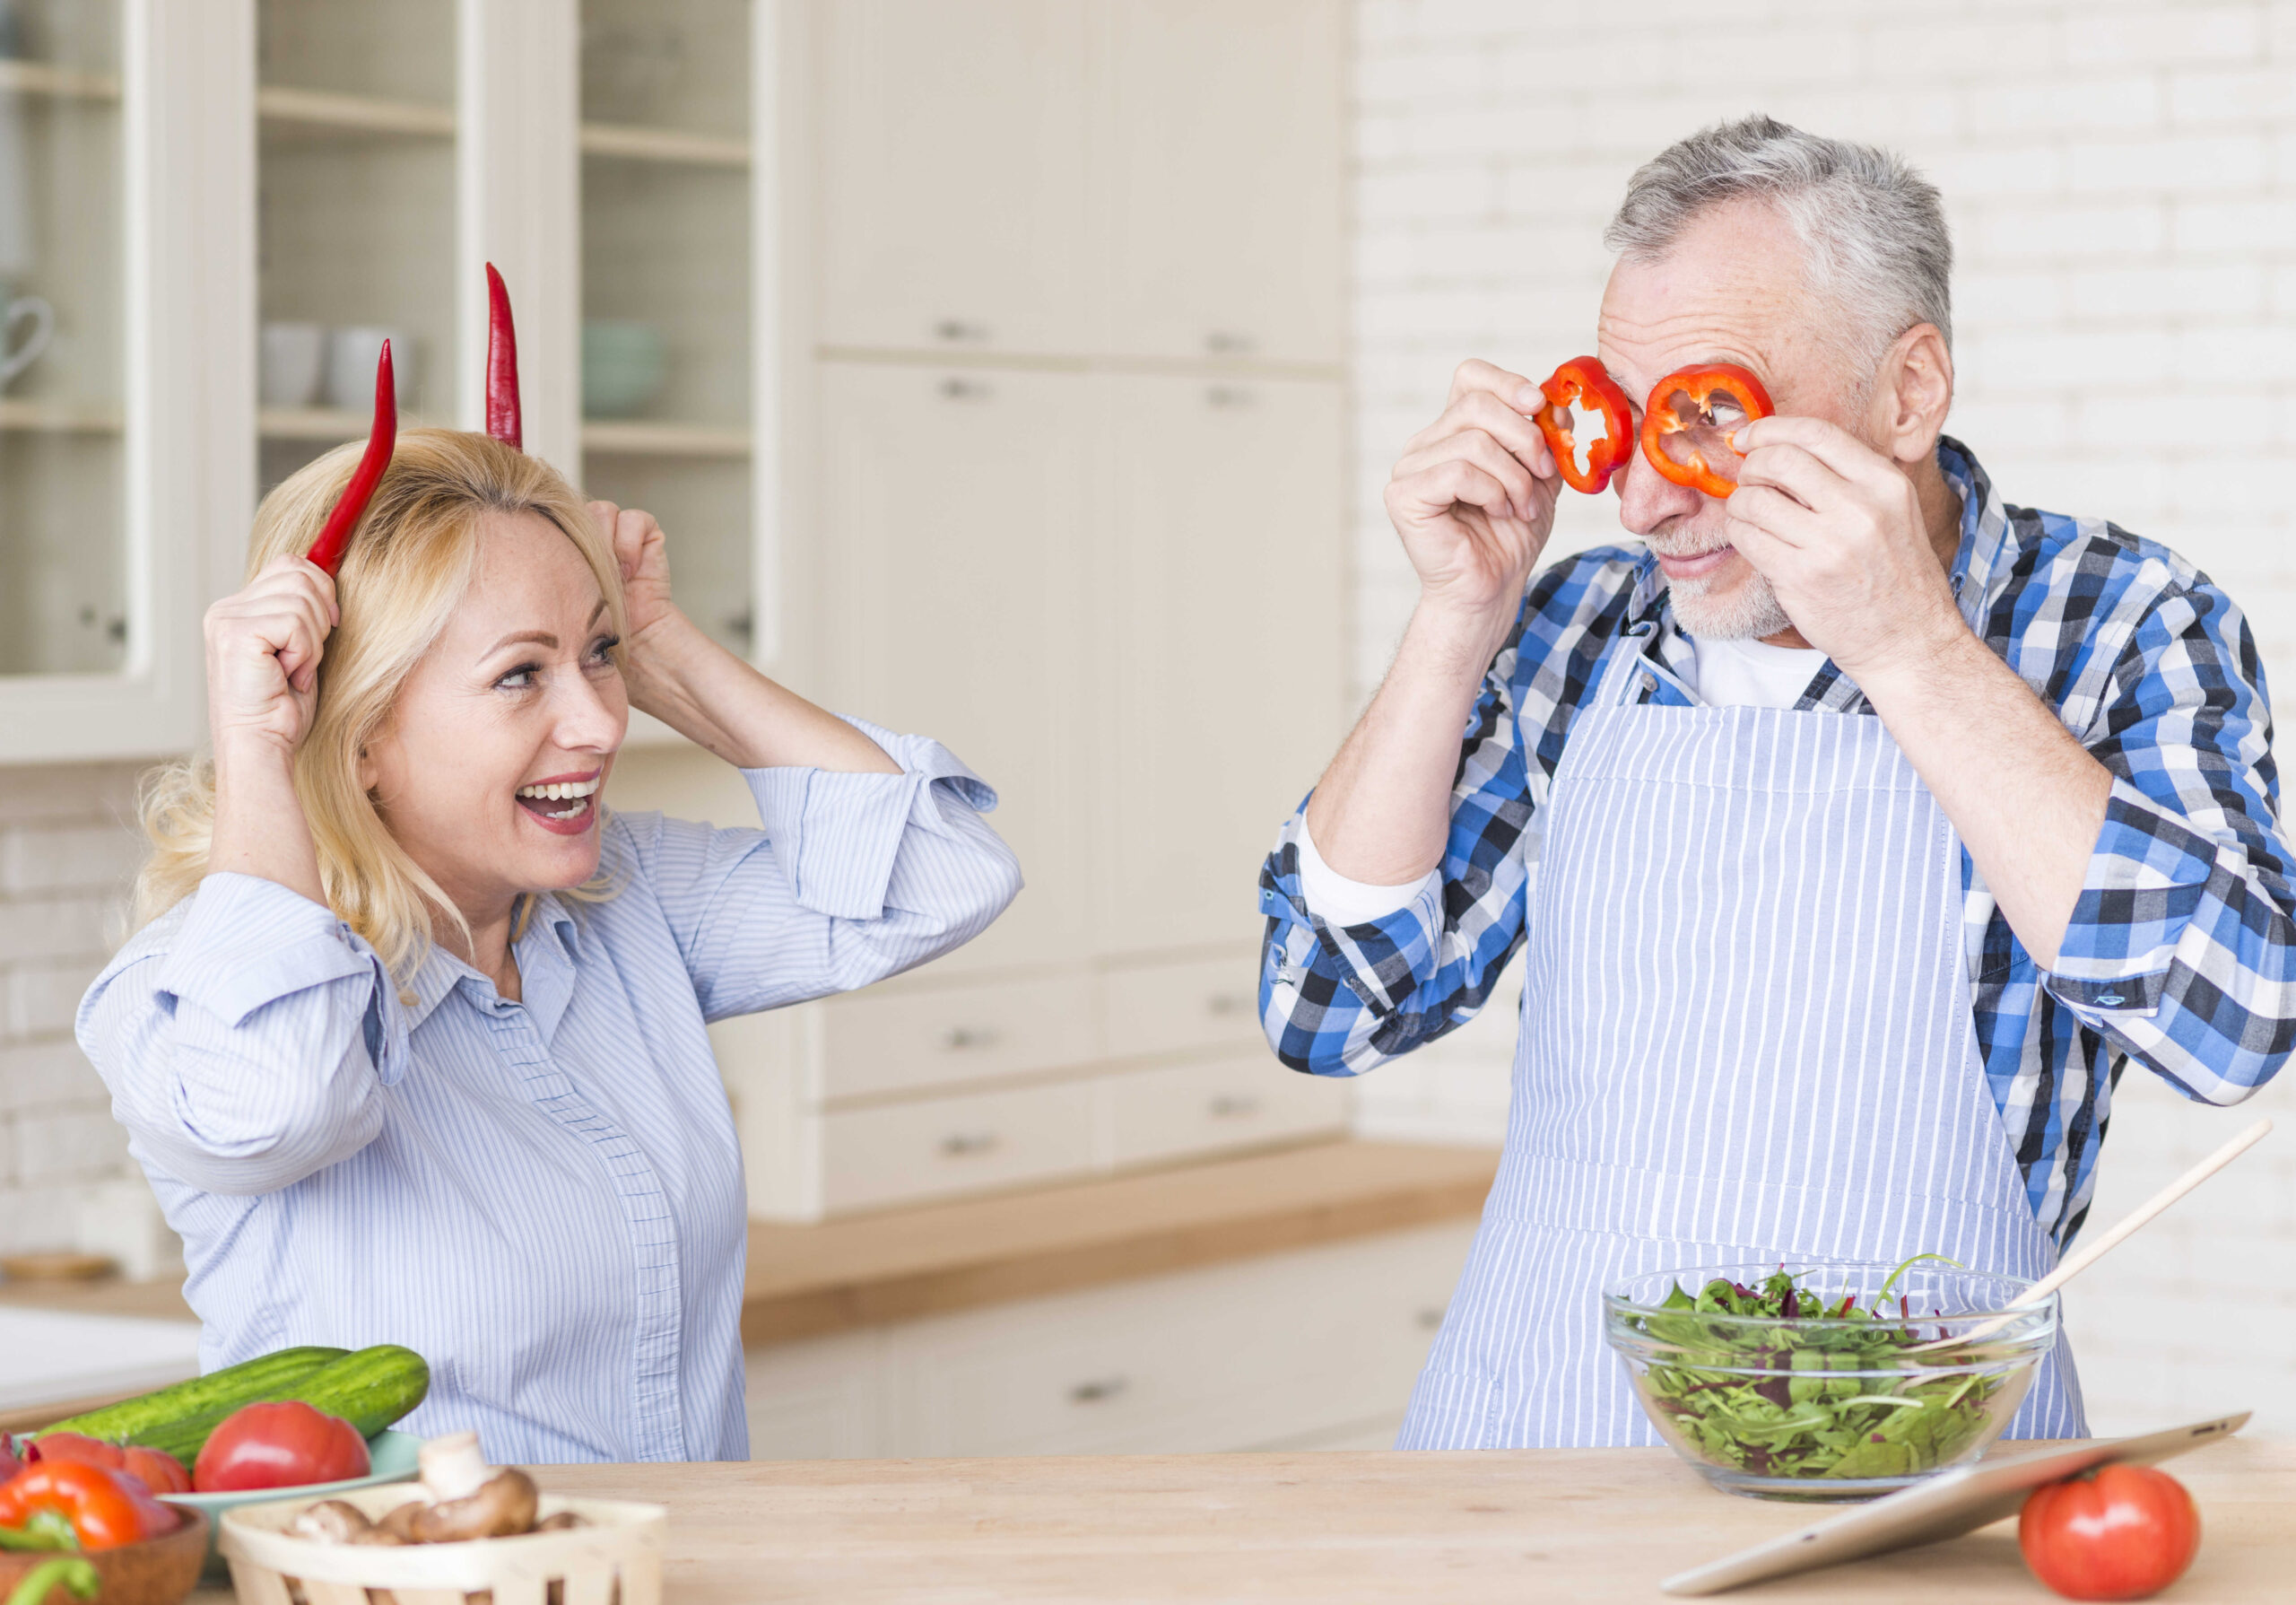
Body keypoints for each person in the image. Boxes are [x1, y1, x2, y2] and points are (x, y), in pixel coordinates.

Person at [1257, 115, 2294, 1449]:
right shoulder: (1572, 626)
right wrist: (1460, 620)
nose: (1642, 502)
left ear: (1908, 393)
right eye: (1619, 422)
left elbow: (2238, 1019)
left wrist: (1911, 643)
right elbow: (1327, 1007)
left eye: (1708, 415)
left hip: (1922, 1459)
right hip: (1534, 1449)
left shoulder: (2118, 620)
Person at [78, 420, 1022, 1463]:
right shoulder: (186, 992)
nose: (602, 723)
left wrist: (662, 646)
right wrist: (261, 749)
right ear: (361, 734)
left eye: (598, 656)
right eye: (521, 674)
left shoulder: (627, 902)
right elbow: (273, 1110)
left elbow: (942, 876)